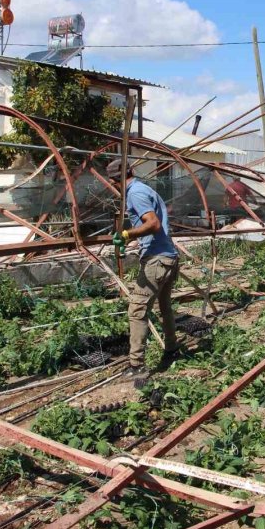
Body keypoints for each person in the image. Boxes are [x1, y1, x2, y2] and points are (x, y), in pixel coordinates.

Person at [107, 158, 180, 389]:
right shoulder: (144, 189)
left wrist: (127, 234)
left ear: (114, 181)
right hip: (168, 256)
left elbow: (153, 224)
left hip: (157, 259)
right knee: (164, 306)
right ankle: (172, 349)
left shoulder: (135, 193)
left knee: (137, 309)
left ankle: (137, 364)